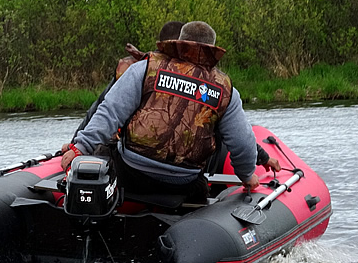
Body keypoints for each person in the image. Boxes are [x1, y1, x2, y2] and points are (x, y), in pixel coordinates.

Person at [62, 21, 260, 202]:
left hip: (131, 172)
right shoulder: (225, 90)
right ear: (212, 48)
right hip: (184, 183)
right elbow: (242, 142)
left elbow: (110, 112)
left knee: (105, 152)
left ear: (179, 41)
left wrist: (82, 146)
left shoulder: (146, 68)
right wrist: (247, 175)